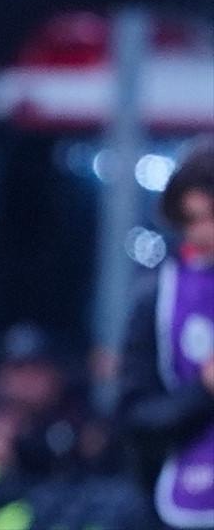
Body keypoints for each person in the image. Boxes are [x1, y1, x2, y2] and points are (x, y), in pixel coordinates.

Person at [119, 142, 214, 530]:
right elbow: (134, 418)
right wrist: (203, 390)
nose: (202, 233)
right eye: (192, 219)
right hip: (179, 503)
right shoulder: (158, 298)